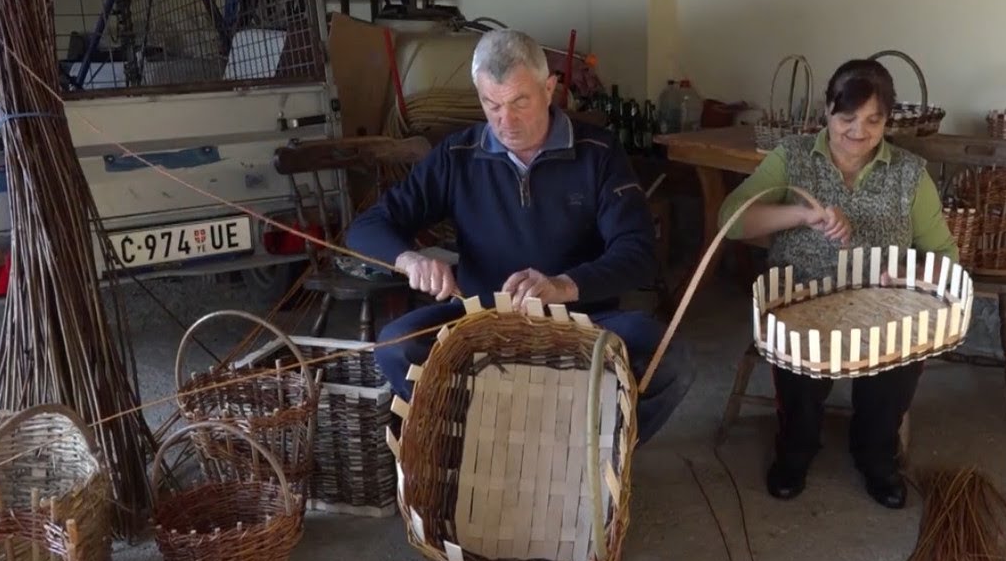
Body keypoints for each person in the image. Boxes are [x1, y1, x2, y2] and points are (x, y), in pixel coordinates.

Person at [347, 28, 693, 444]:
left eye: (519, 102)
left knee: (671, 360)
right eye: (491, 104)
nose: (504, 122)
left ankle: (597, 458)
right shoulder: (458, 154)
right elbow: (366, 227)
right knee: (396, 346)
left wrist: (562, 285)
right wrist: (410, 259)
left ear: (549, 89)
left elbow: (639, 252)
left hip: (582, 318)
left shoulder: (597, 153)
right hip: (480, 315)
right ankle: (476, 445)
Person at [717, 59, 958, 509]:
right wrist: (803, 214)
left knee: (896, 366)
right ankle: (796, 449)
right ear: (826, 110)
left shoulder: (909, 174)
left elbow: (944, 255)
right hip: (802, 301)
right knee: (800, 377)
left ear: (888, 121)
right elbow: (732, 220)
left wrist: (909, 276)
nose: (858, 132)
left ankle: (876, 456)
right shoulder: (792, 157)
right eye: (847, 117)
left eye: (874, 120)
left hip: (882, 308)